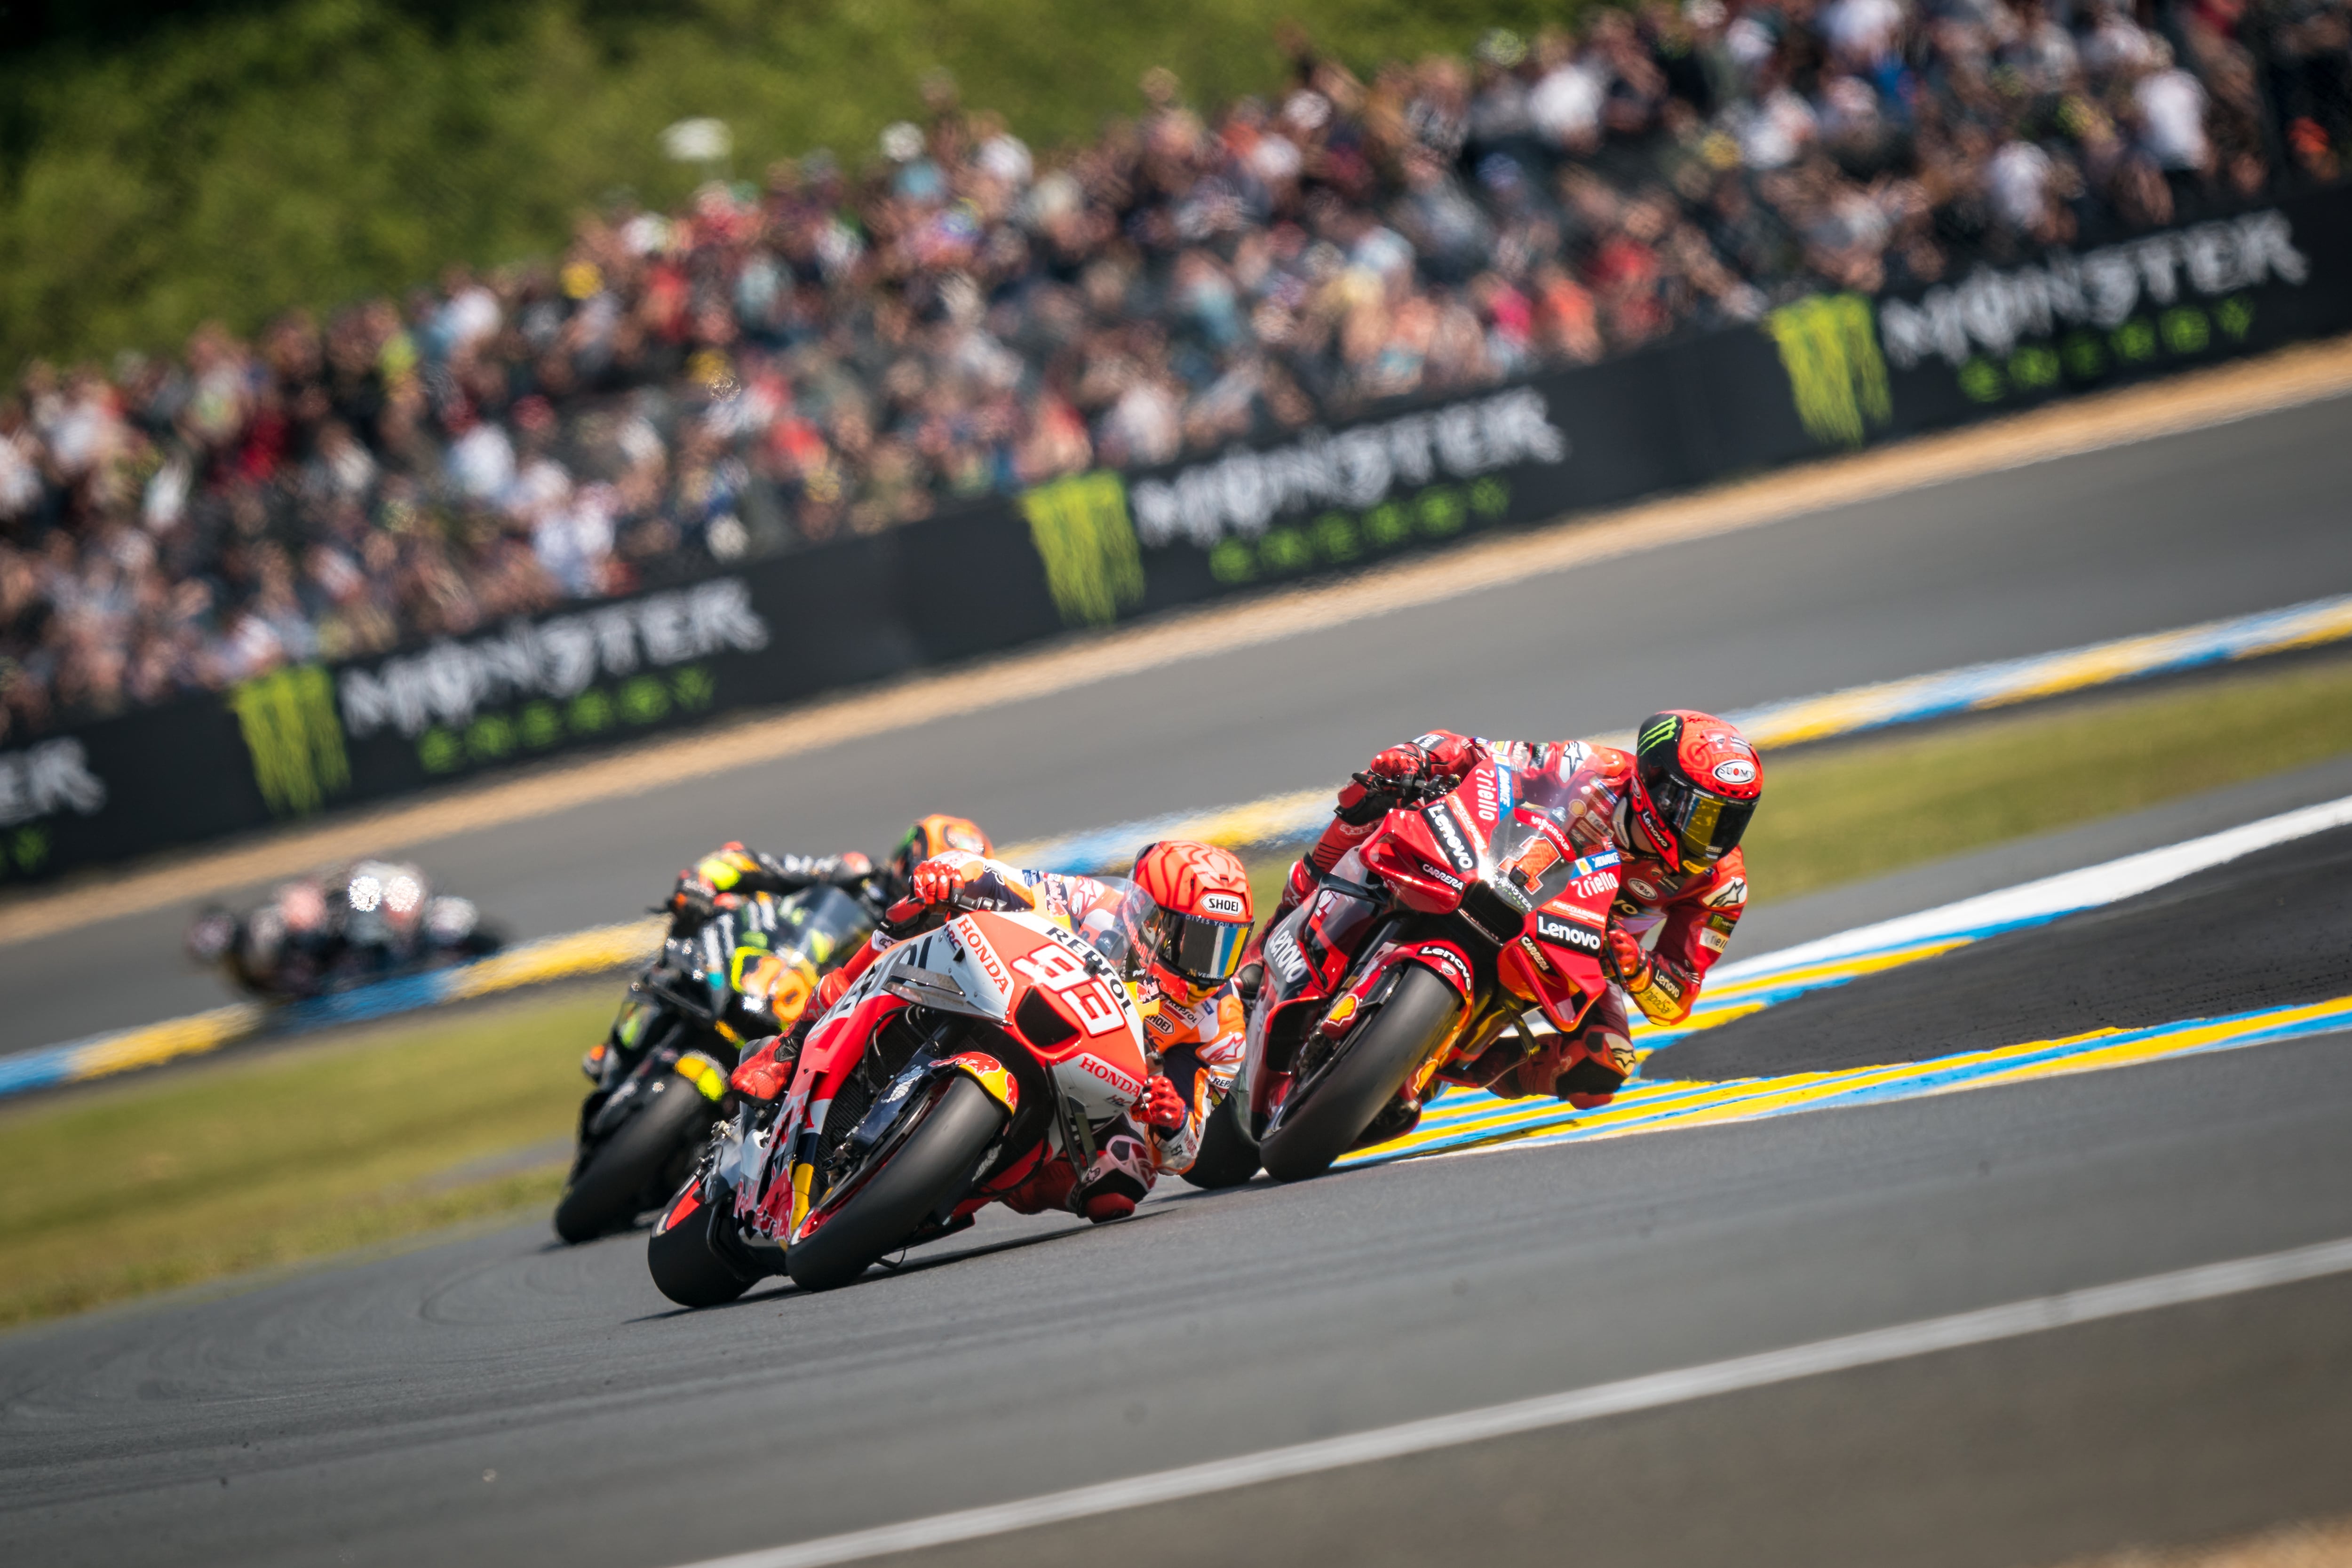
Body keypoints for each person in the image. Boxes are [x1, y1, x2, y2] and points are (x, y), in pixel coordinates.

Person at [1260, 712, 1761, 1109]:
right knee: (1380, 791)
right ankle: (1292, 909)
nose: (1712, 838)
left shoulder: (1721, 883)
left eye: (1728, 821)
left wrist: (1634, 966)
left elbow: (1675, 998)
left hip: (1581, 949)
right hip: (1498, 872)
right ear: (1655, 785)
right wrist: (1422, 757)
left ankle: (1465, 1063)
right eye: (1701, 815)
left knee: (1603, 1069)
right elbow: (1483, 754)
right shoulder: (1590, 767)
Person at [743, 838, 1255, 1222]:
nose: (1208, 968)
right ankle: (791, 1046)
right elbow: (1010, 881)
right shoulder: (1098, 905)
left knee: (1121, 1183)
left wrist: (1170, 1122)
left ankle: (957, 1185)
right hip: (1015, 1004)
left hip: (1093, 1091)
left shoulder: (1222, 1024)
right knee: (920, 912)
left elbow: (1185, 1151)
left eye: (1228, 947)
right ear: (1154, 922)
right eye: (1198, 944)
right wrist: (954, 875)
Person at [660, 814, 993, 937]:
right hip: (765, 975)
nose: (938, 889)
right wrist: (702, 881)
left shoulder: (944, 949)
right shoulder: (856, 873)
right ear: (908, 860)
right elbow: (751, 863)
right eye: (932, 872)